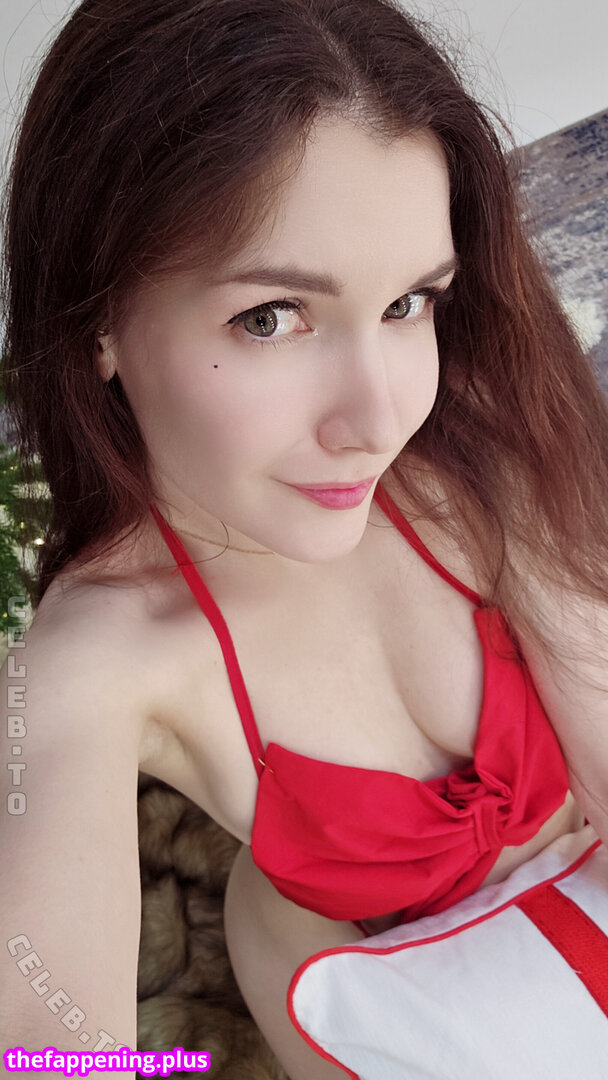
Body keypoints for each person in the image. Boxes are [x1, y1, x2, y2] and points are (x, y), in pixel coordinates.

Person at [1, 0, 607, 1077]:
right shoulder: (95, 662)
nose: (378, 420)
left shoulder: (476, 446)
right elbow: (51, 1049)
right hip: (377, 1008)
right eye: (271, 316)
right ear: (97, 321)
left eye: (409, 302)